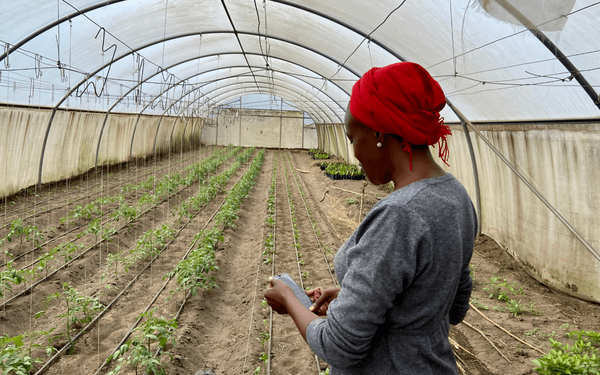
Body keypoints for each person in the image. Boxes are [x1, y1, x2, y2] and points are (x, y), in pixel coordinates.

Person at [264, 62, 477, 374]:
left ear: (378, 133)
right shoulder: (456, 197)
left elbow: (339, 346)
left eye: (352, 139)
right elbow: (450, 306)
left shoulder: (400, 214)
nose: (354, 154)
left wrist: (289, 298)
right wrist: (355, 297)